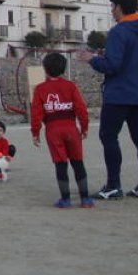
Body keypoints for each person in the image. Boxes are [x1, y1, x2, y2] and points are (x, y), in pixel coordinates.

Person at [78, 0, 138, 200]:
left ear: (120, 7)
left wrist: (91, 59)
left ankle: (113, 185)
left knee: (108, 135)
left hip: (120, 93)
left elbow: (112, 65)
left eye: (112, 6)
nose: (112, 11)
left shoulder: (119, 32)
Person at [31, 52, 93, 208]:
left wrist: (35, 133)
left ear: (45, 69)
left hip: (52, 129)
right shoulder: (70, 86)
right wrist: (84, 127)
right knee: (78, 162)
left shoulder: (40, 89)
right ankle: (85, 198)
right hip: (71, 127)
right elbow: (81, 109)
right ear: (64, 69)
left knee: (60, 164)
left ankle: (65, 199)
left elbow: (36, 113)